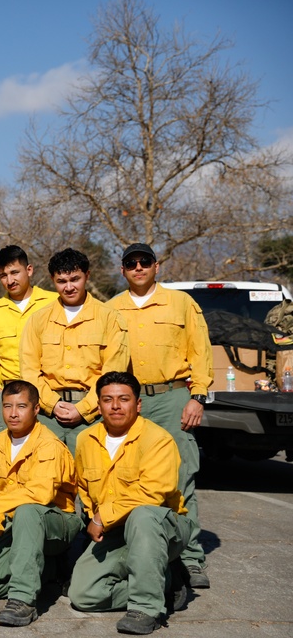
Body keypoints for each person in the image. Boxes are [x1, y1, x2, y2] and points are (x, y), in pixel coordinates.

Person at [109, 243, 212, 590]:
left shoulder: (181, 303)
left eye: (145, 262)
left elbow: (202, 351)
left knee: (181, 476)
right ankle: (133, 550)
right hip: (129, 401)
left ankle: (191, 557)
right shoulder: (111, 309)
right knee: (126, 475)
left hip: (172, 397)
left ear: (157, 266)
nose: (138, 267)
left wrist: (197, 397)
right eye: (130, 263)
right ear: (122, 270)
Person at [68, 372, 193, 635]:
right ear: (98, 405)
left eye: (124, 399)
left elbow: (151, 494)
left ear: (138, 404)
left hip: (161, 528)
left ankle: (146, 608)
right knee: (83, 595)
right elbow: (84, 489)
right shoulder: (85, 439)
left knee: (142, 515)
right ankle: (165, 582)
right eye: (107, 400)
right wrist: (94, 518)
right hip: (116, 531)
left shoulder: (158, 439)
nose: (115, 406)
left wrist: (101, 517)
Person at [0, 380, 80, 627]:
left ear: (36, 409)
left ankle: (22, 600)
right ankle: (46, 572)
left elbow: (40, 494)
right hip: (15, 523)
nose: (13, 413)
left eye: (21, 406)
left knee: (28, 511)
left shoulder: (48, 444)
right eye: (7, 406)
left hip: (57, 523)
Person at [20, 248, 129, 452]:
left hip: (94, 416)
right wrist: (52, 404)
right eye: (61, 281)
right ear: (52, 280)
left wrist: (84, 408)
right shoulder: (38, 320)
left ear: (87, 276)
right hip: (48, 416)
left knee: (92, 478)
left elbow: (114, 373)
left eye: (75, 279)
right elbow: (29, 371)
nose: (69, 287)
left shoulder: (110, 318)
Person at [0, 246, 58, 430]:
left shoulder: (54, 302)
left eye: (15, 272)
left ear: (29, 270)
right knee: (10, 455)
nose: (10, 280)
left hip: (48, 394)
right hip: (11, 397)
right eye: (3, 275)